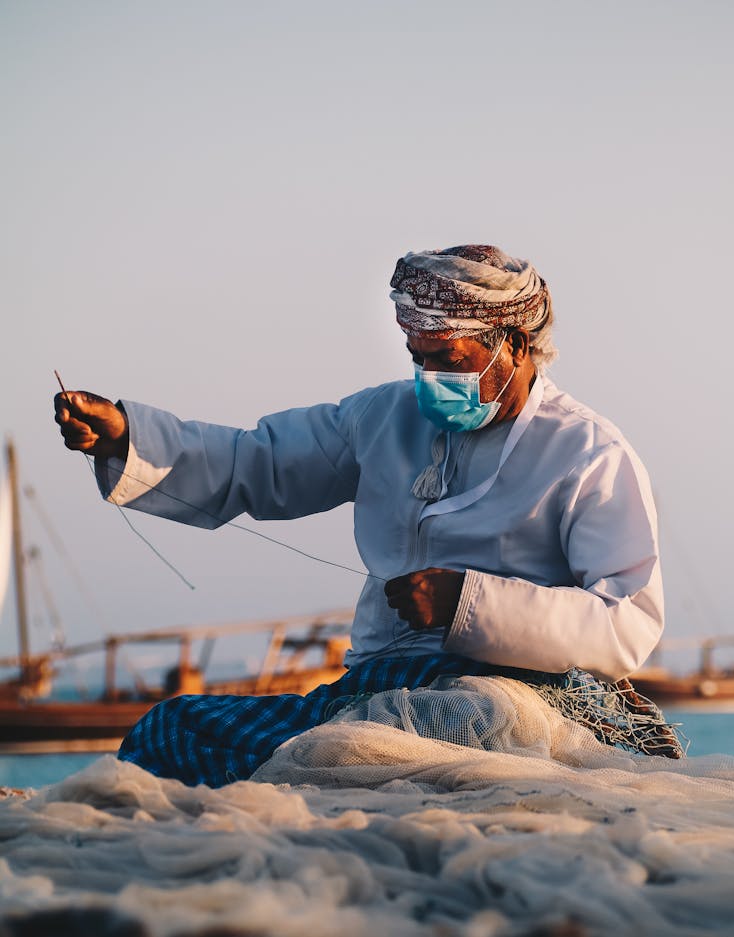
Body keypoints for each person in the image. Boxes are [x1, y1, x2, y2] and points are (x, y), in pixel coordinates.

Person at [54, 245, 668, 786]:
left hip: (517, 698)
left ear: (510, 344)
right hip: (376, 690)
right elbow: (258, 462)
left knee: (424, 742)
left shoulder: (589, 453)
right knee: (175, 731)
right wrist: (123, 438)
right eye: (416, 356)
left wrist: (469, 604)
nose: (430, 376)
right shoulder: (381, 417)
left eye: (447, 357)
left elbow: (628, 623)